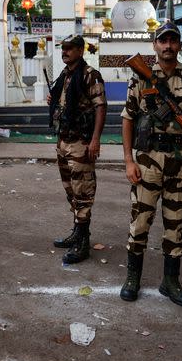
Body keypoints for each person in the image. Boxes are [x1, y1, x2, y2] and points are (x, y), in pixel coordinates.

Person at [119, 22, 182, 306]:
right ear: (154, 45)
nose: (168, 46)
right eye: (163, 41)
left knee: (175, 224)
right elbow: (127, 119)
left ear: (180, 45)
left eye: (173, 41)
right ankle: (132, 278)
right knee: (140, 222)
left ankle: (170, 282)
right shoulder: (141, 77)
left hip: (181, 160)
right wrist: (128, 160)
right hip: (148, 158)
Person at [47, 34, 107, 264]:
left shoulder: (90, 75)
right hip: (63, 141)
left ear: (81, 51)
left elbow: (101, 107)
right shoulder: (65, 76)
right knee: (71, 191)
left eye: (70, 48)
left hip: (81, 142)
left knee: (83, 193)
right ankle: (77, 233)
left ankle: (83, 244)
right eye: (63, 48)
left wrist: (95, 140)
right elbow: (61, 105)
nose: (65, 52)